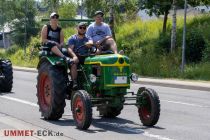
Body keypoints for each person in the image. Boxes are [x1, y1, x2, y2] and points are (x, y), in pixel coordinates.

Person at [67, 22, 93, 89]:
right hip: (77, 56)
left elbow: (91, 42)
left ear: (86, 29)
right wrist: (74, 56)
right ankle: (74, 82)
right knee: (73, 63)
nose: (82, 29)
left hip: (86, 57)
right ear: (77, 28)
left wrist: (89, 44)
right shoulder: (72, 38)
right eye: (80, 27)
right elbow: (70, 49)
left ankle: (94, 81)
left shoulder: (88, 37)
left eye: (84, 28)